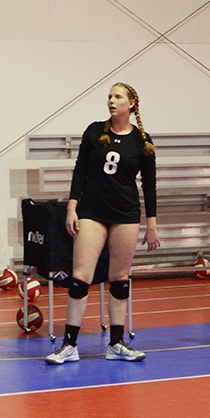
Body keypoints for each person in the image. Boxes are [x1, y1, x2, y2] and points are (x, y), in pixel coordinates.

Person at [46, 82, 160, 365]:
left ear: (131, 104)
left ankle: (116, 343)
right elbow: (80, 171)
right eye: (109, 96)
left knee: (120, 278)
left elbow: (149, 185)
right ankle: (69, 345)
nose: (111, 100)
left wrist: (152, 224)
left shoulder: (142, 141)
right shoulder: (95, 131)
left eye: (118, 96)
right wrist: (72, 207)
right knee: (80, 277)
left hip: (125, 214)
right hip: (92, 212)